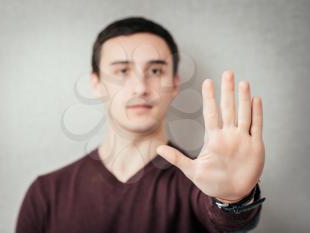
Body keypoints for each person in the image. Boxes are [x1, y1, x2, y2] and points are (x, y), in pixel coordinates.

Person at [15, 16, 265, 233]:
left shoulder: (201, 183)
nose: (140, 88)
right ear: (96, 83)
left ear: (175, 83)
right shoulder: (46, 193)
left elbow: (227, 220)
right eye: (122, 71)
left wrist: (233, 200)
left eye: (155, 71)